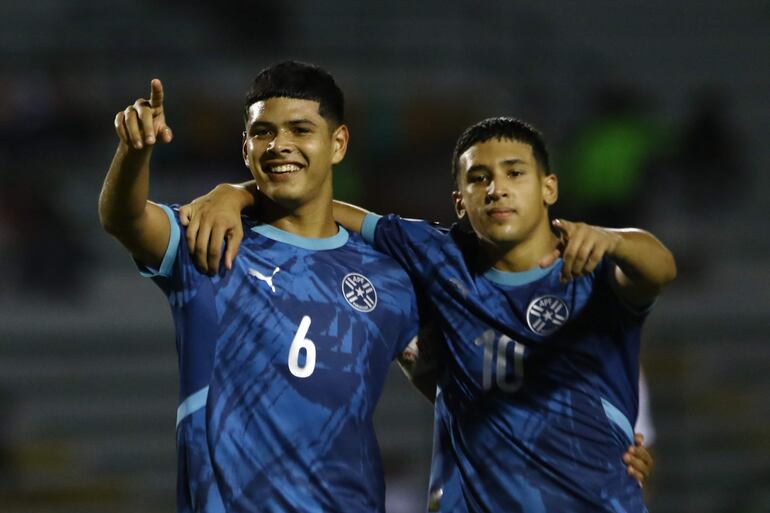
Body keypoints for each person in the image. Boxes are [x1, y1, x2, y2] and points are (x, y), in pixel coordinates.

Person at [181, 117, 672, 511]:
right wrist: (239, 193)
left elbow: (658, 269)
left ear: (549, 187)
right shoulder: (437, 257)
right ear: (460, 201)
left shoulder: (589, 270)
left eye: (514, 173)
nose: (496, 189)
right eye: (480, 178)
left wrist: (616, 239)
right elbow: (326, 209)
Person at [98, 61, 425, 513]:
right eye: (264, 132)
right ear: (246, 146)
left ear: (338, 143)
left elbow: (448, 383)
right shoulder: (208, 235)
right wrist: (134, 151)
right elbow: (124, 218)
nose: (279, 145)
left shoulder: (387, 279)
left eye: (299, 129)